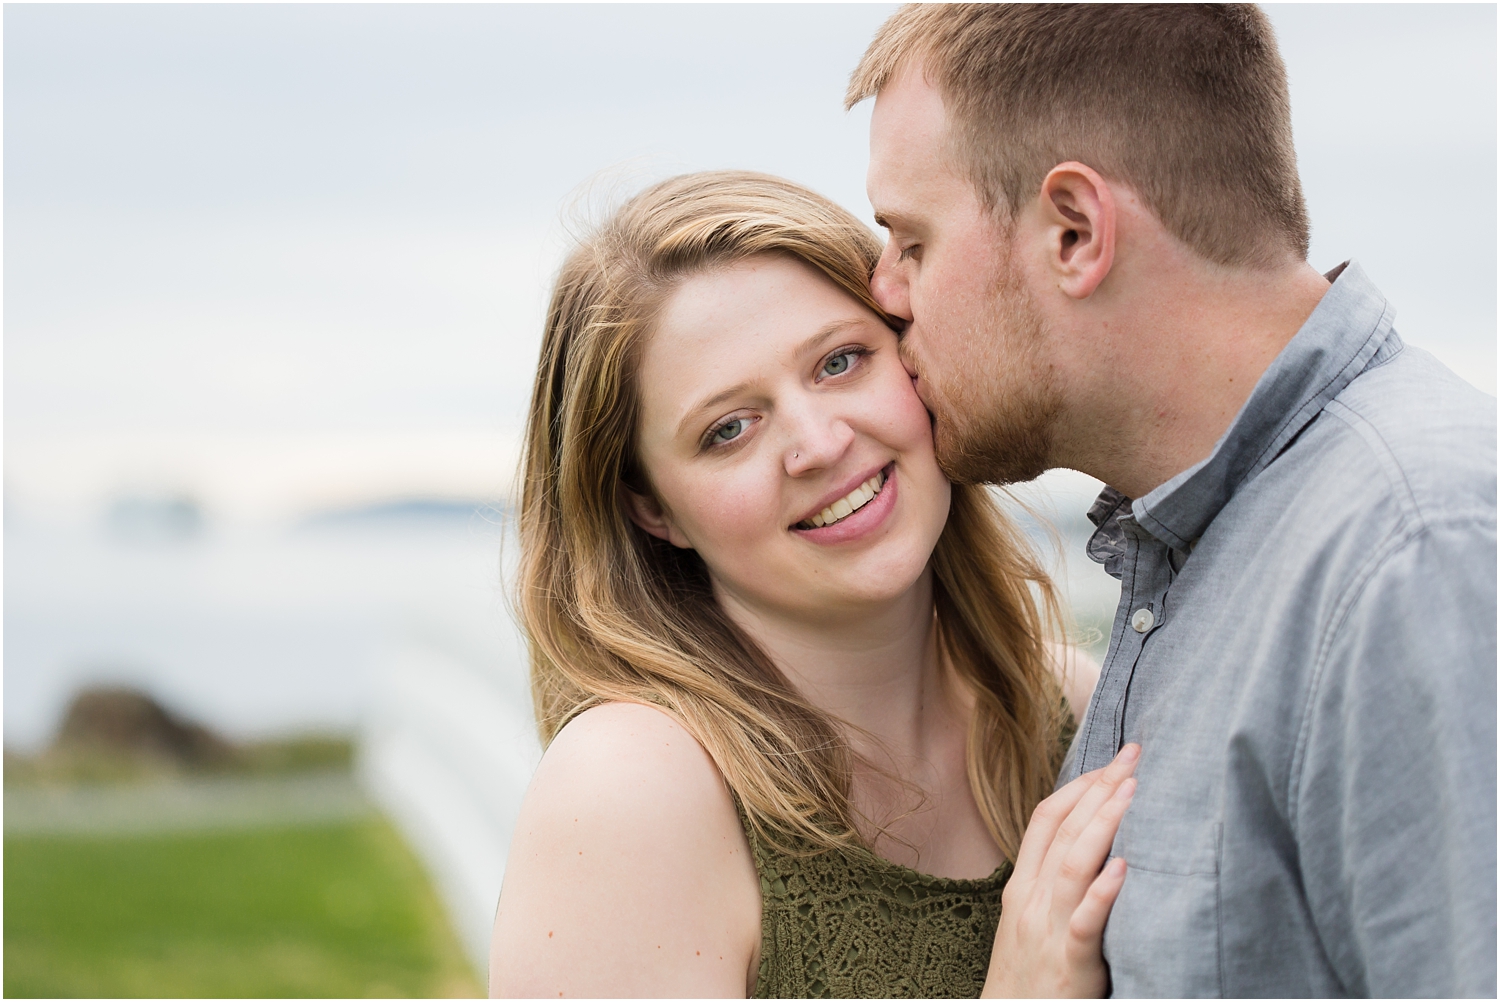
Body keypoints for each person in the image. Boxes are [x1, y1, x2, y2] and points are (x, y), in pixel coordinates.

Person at [847, 4, 1497, 997]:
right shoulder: (1202, 549)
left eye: (912, 241)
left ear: (1074, 231)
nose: (884, 291)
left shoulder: (1415, 554)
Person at [489, 171, 1138, 998]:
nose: (819, 443)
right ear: (654, 509)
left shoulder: (1072, 712)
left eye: (840, 361)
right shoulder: (634, 791)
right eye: (728, 429)